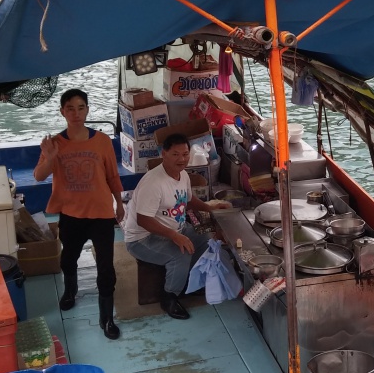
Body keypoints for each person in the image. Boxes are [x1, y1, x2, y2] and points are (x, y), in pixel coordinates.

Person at [33, 89, 124, 340]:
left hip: (101, 213)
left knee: (106, 267)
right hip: (71, 214)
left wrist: (119, 202)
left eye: (81, 107)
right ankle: (70, 290)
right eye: (70, 108)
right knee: (67, 259)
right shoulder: (54, 144)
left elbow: (112, 175)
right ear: (62, 111)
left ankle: (106, 318)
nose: (76, 113)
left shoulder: (102, 141)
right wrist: (50, 157)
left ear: (87, 110)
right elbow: (39, 176)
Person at [122, 133, 230, 319]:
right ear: (164, 154)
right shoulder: (154, 183)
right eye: (175, 154)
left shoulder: (183, 175)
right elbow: (143, 220)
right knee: (180, 253)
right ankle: (169, 296)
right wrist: (174, 236)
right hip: (142, 238)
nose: (182, 159)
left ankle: (190, 281)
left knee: (205, 240)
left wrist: (210, 208)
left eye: (185, 154)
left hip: (175, 227)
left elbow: (187, 200)